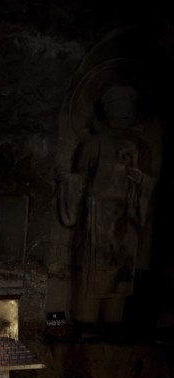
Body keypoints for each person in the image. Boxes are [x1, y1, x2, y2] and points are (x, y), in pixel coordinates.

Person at [57, 86, 156, 325]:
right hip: (95, 227)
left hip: (124, 229)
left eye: (128, 106)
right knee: (88, 298)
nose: (123, 112)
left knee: (117, 294)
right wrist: (67, 181)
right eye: (118, 105)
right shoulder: (93, 143)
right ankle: (84, 338)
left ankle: (110, 344)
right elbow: (77, 181)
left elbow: (149, 187)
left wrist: (140, 180)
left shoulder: (140, 147)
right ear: (106, 109)